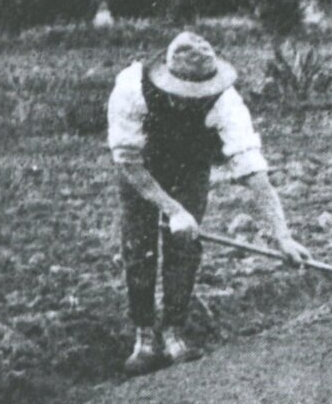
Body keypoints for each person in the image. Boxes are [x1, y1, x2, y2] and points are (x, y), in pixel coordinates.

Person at [107, 32, 311, 374]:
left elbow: (253, 172)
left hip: (190, 166)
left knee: (185, 244)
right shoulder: (131, 88)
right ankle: (143, 335)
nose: (192, 100)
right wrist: (171, 209)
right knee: (138, 244)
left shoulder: (226, 102)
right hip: (142, 166)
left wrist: (283, 236)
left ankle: (174, 329)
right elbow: (127, 161)